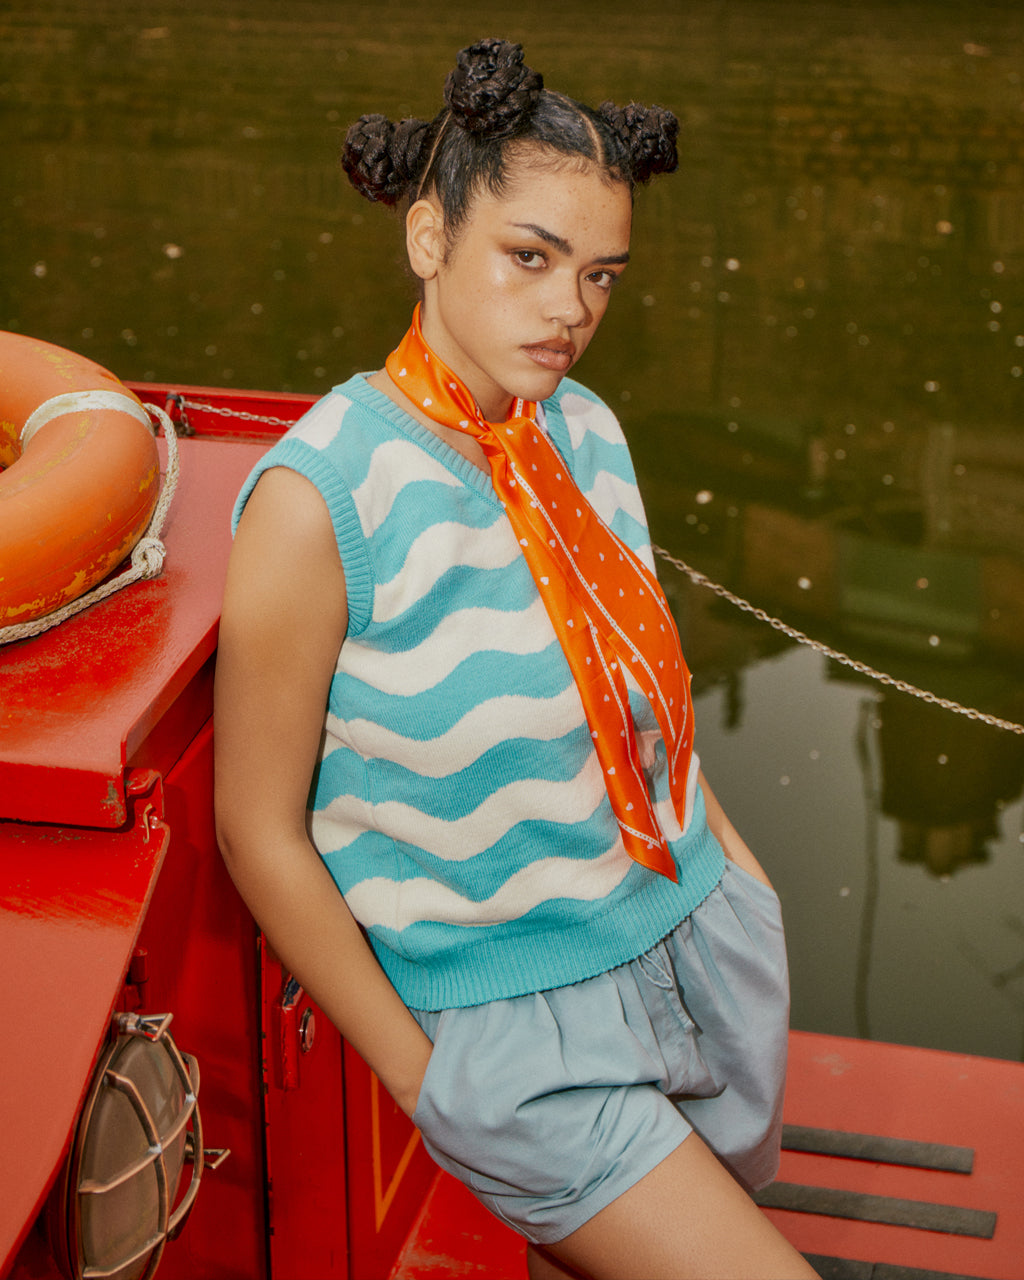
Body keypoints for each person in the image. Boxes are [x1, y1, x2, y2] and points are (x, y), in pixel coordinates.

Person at [215, 38, 817, 1280]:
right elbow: (254, 830)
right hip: (514, 1034)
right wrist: (426, 1074)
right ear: (429, 237)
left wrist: (740, 889)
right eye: (530, 258)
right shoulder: (321, 497)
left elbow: (643, 700)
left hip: (697, 944)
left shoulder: (584, 429)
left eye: (601, 274)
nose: (571, 311)